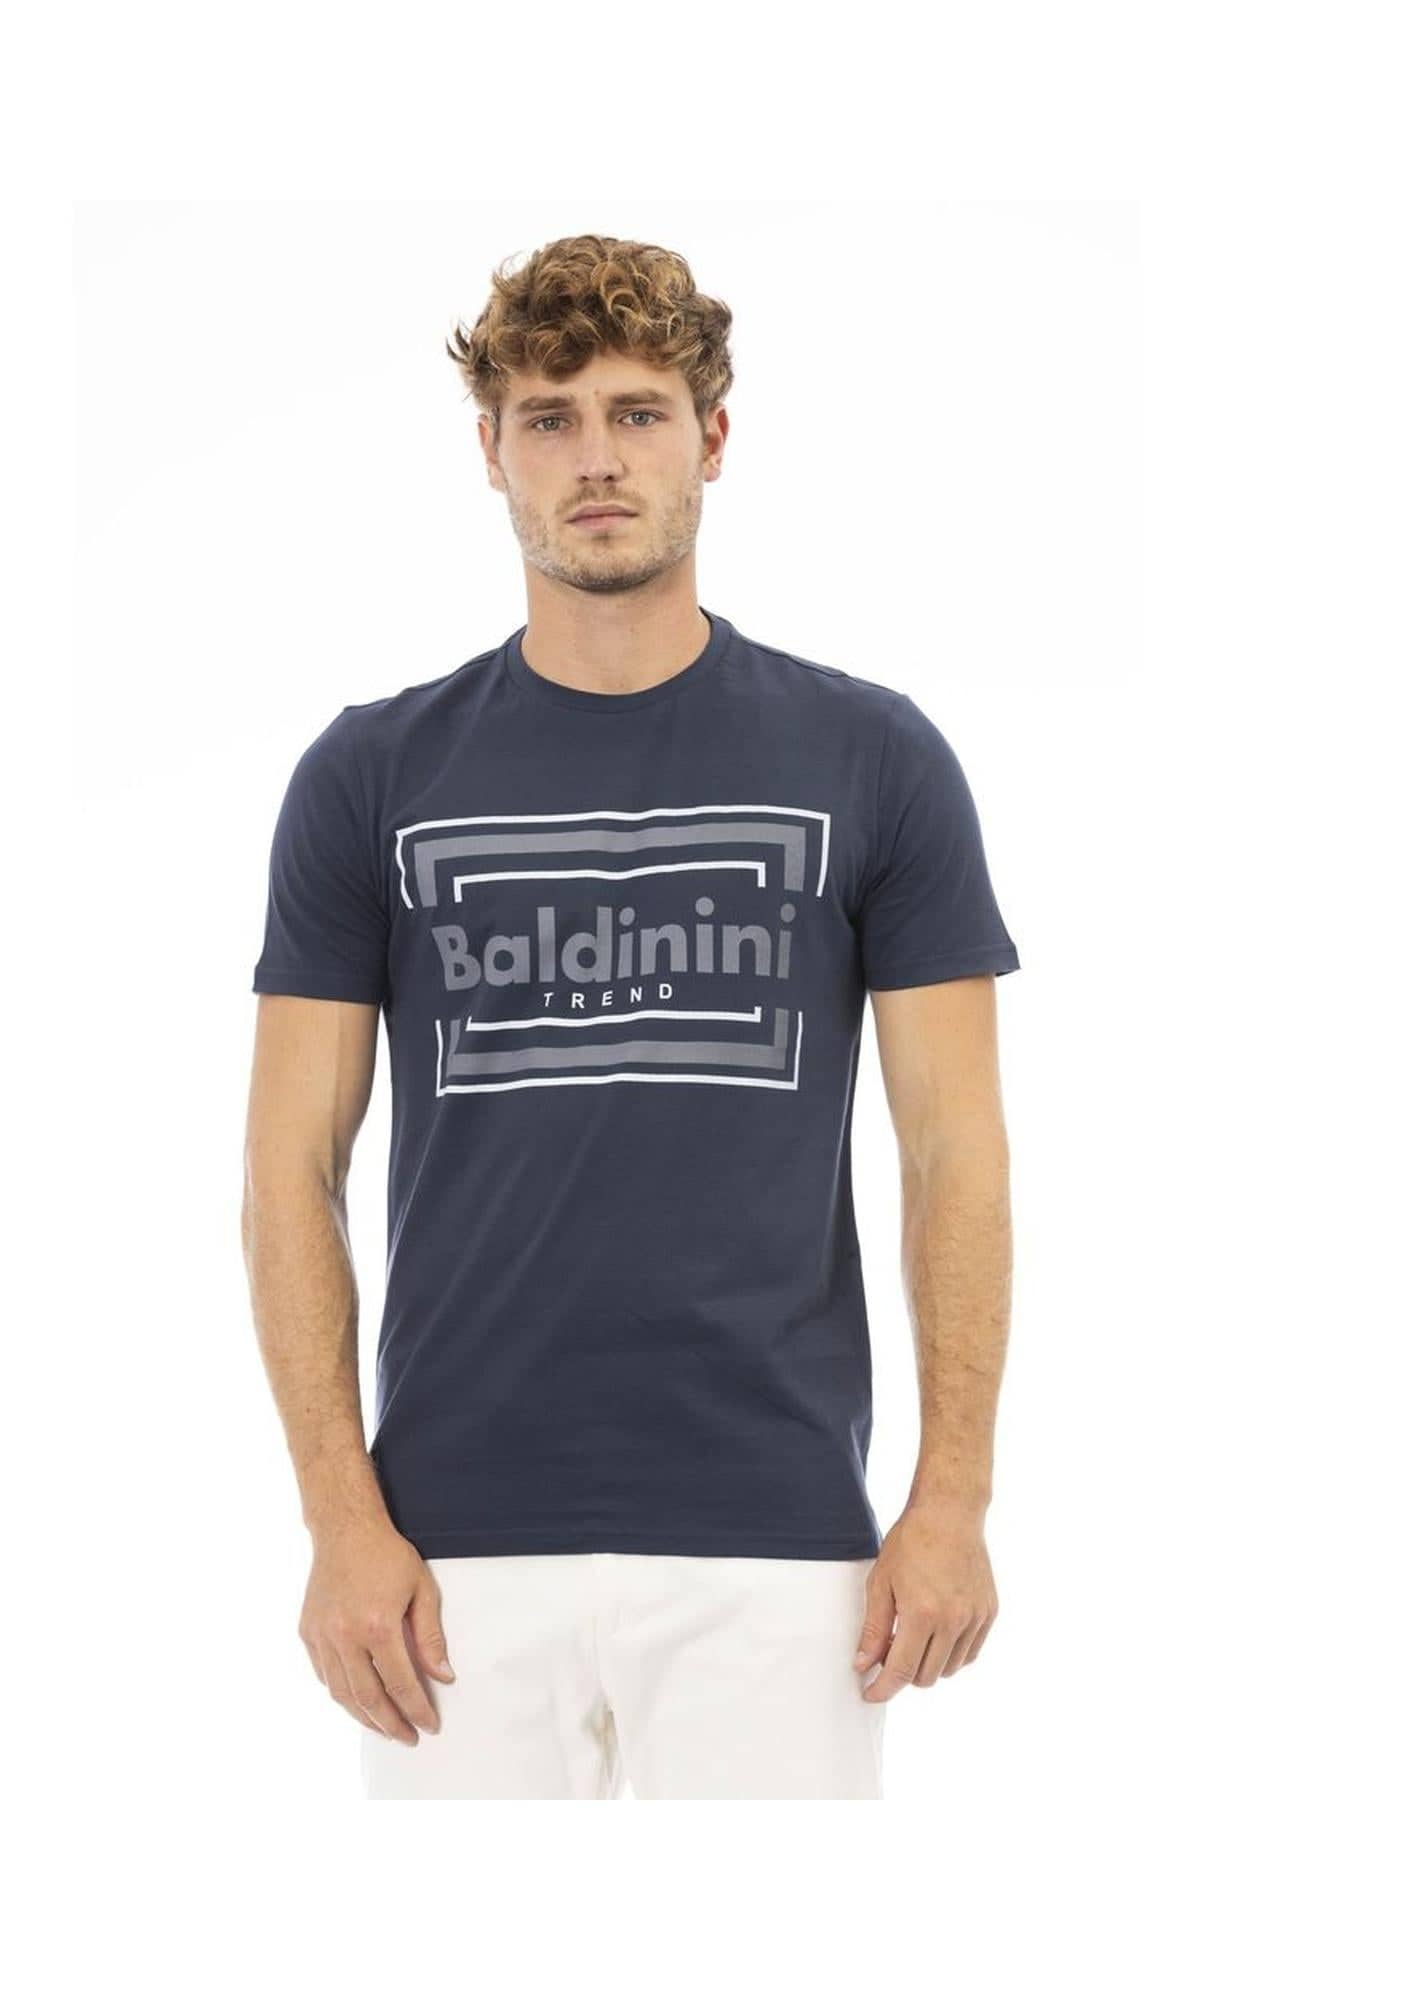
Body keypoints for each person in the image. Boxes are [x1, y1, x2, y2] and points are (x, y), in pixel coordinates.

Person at [241, 233, 1019, 1799]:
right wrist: (339, 1518)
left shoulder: (872, 758)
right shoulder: (370, 775)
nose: (595, 458)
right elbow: (287, 1172)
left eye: (636, 412)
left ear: (711, 438)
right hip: (445, 1562)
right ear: (492, 452)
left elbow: (955, 1152)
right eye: (549, 418)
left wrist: (952, 1500)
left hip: (775, 1548)